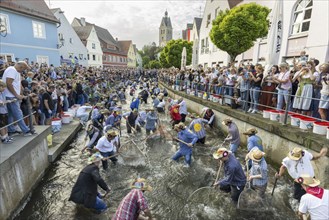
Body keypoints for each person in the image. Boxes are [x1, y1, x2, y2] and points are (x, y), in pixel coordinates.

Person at [3, 61, 34, 136]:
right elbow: (8, 83)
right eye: (23, 69)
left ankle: (11, 130)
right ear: (21, 66)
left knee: (10, 114)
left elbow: (18, 83)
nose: (23, 71)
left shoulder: (16, 72)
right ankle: (25, 130)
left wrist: (23, 91)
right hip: (10, 96)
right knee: (18, 113)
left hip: (11, 95)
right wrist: (16, 95)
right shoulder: (12, 70)